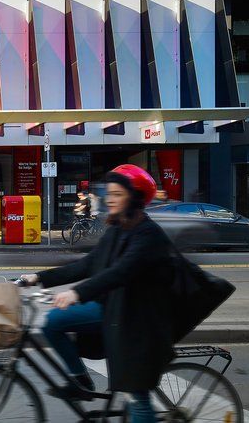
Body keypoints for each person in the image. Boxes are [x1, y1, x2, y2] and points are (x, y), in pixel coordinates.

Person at [20, 164, 175, 423]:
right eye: (109, 193)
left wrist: (76, 294)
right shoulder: (118, 228)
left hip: (138, 320)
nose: (109, 199)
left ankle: (89, 385)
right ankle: (80, 380)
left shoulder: (147, 235)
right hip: (117, 308)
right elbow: (89, 264)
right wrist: (39, 278)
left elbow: (120, 273)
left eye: (117, 194)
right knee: (53, 321)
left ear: (134, 198)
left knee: (137, 398)